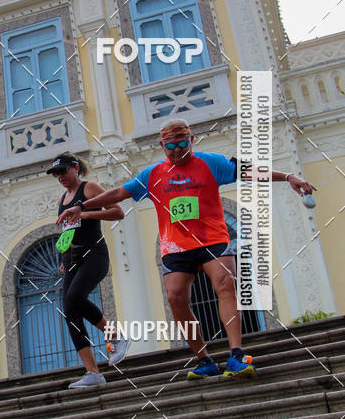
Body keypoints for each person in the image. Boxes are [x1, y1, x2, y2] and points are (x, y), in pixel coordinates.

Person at [59, 119, 316, 380]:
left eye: (183, 144)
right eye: (171, 146)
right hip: (175, 246)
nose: (177, 150)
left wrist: (288, 177)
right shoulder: (153, 174)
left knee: (226, 283)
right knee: (175, 298)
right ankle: (203, 359)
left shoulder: (209, 163)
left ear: (191, 139)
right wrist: (82, 207)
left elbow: (247, 172)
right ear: (162, 145)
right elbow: (118, 194)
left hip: (212, 239)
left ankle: (236, 354)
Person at [50, 152, 125, 389]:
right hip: (73, 258)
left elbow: (117, 212)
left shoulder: (89, 188)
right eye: (56, 174)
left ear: (75, 168)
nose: (60, 177)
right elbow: (68, 230)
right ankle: (93, 372)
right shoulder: (63, 199)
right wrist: (64, 256)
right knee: (70, 312)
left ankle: (114, 335)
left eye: (63, 171)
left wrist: (84, 212)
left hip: (95, 254)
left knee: (75, 297)